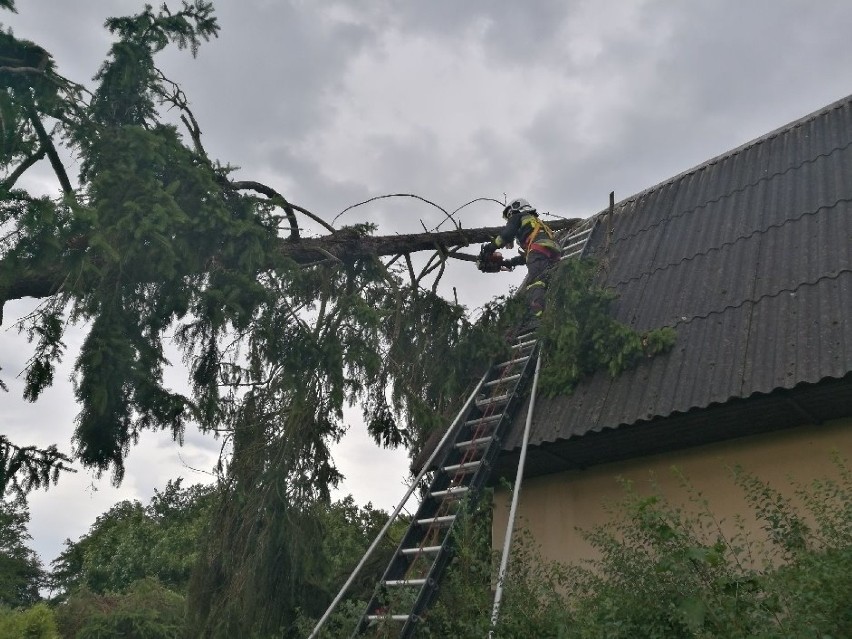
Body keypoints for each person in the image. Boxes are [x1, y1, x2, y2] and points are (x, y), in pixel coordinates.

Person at [478, 197, 561, 325]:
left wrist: (490, 247)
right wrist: (508, 263)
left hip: (539, 249)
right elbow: (527, 257)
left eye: (509, 215)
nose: (510, 218)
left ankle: (538, 314)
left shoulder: (518, 217)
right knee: (546, 278)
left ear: (516, 208)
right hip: (550, 251)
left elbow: (506, 234)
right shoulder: (535, 224)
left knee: (535, 281)